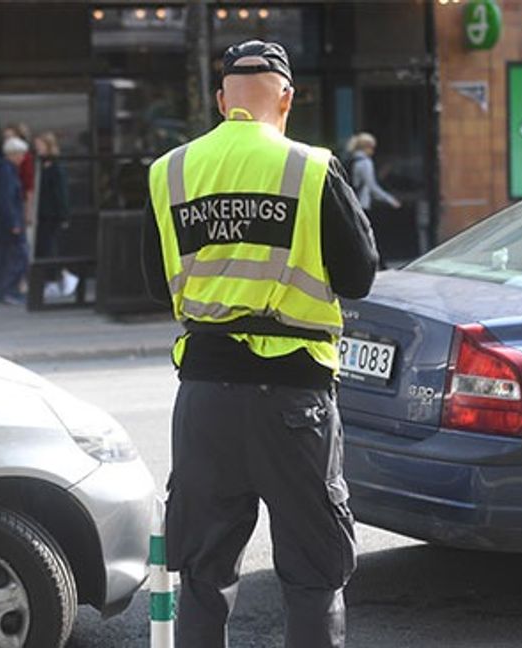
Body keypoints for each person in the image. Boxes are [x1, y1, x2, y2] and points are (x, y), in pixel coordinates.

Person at [142, 40, 378, 648]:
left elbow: (151, 283)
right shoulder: (310, 168)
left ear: (222, 101)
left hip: (205, 398)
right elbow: (359, 276)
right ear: (287, 99)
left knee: (203, 572)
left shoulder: (169, 172)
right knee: (313, 573)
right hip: (295, 402)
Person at [0, 136, 30, 306]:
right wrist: (14, 223)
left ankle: (1, 291)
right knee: (16, 257)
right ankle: (8, 291)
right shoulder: (6, 172)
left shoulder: (0, 170)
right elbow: (6, 199)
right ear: (14, 154)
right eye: (21, 154)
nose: (23, 158)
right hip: (5, 225)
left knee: (2, 258)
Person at [33, 131, 76, 298]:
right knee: (45, 248)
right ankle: (52, 280)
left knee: (50, 248)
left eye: (40, 145)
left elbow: (61, 192)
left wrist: (64, 214)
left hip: (52, 214)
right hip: (42, 214)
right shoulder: (42, 165)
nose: (38, 149)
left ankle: (61, 276)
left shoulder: (55, 167)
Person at [346, 132, 401, 211]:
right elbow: (372, 186)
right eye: (372, 148)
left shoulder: (350, 160)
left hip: (349, 201)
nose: (373, 151)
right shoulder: (365, 162)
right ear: (366, 147)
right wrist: (390, 200)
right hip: (361, 203)